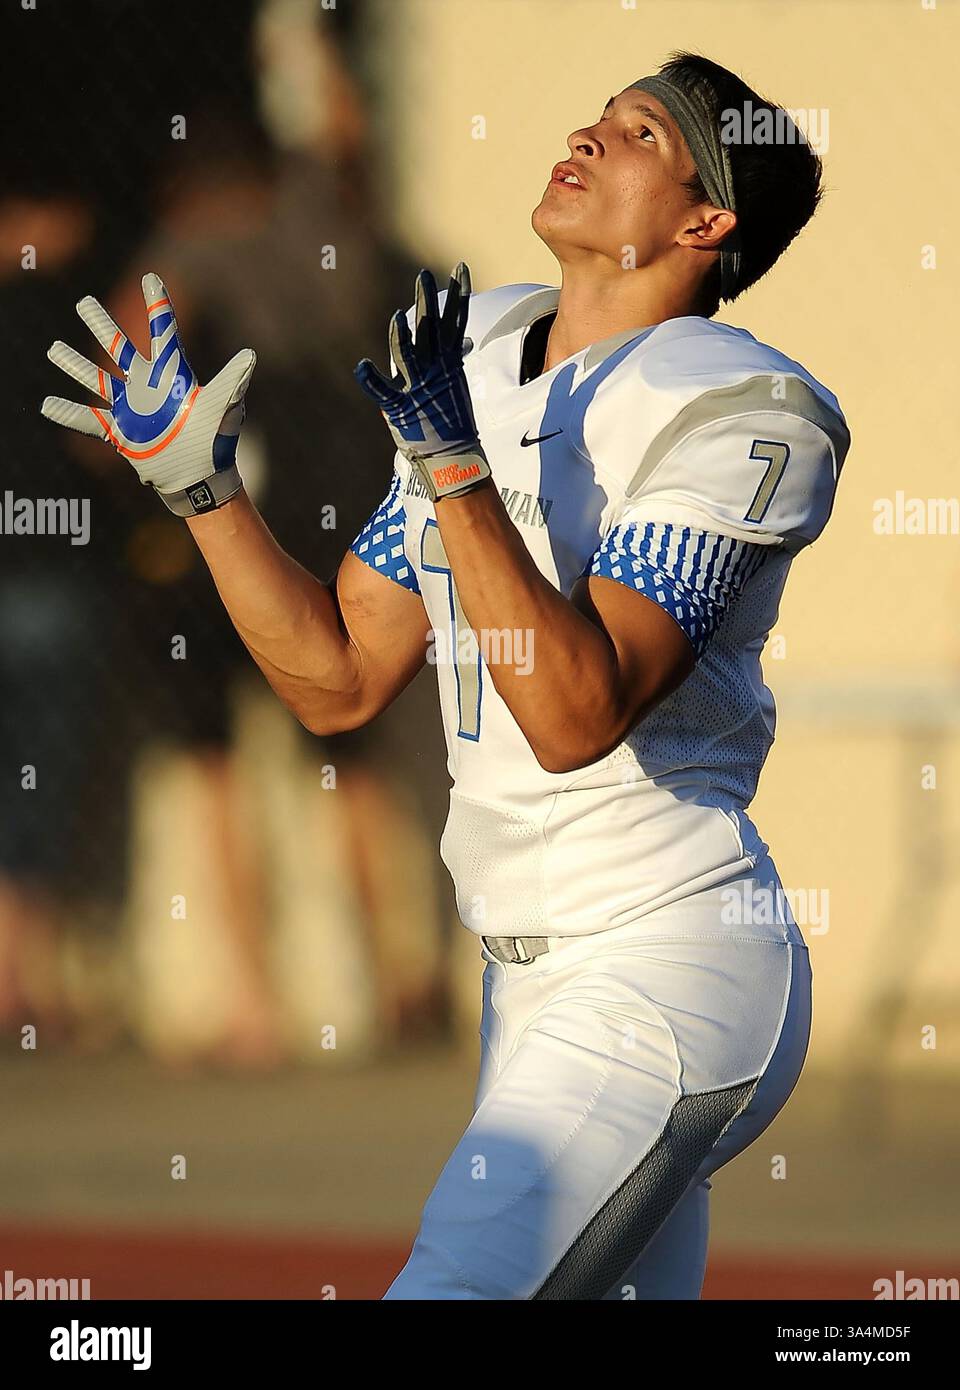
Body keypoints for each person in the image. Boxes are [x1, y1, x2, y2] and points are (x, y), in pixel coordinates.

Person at [41, 52, 849, 1300]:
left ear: (707, 219)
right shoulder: (479, 356)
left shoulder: (741, 413)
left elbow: (576, 711)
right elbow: (342, 677)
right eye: (600, 110)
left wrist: (461, 476)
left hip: (659, 961)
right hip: (520, 982)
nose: (587, 133)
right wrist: (200, 492)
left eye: (638, 134)